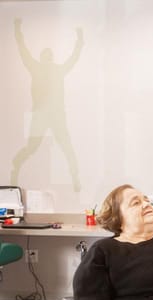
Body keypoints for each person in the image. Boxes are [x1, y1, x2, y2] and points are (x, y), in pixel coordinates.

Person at [12, 18, 84, 192]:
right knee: (33, 148)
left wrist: (80, 39)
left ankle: (75, 177)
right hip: (41, 115)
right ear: (44, 59)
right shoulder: (37, 67)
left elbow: (74, 58)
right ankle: (15, 170)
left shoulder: (56, 69)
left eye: (50, 57)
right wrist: (17, 29)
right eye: (47, 57)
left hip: (55, 115)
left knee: (66, 147)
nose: (49, 59)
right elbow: (23, 50)